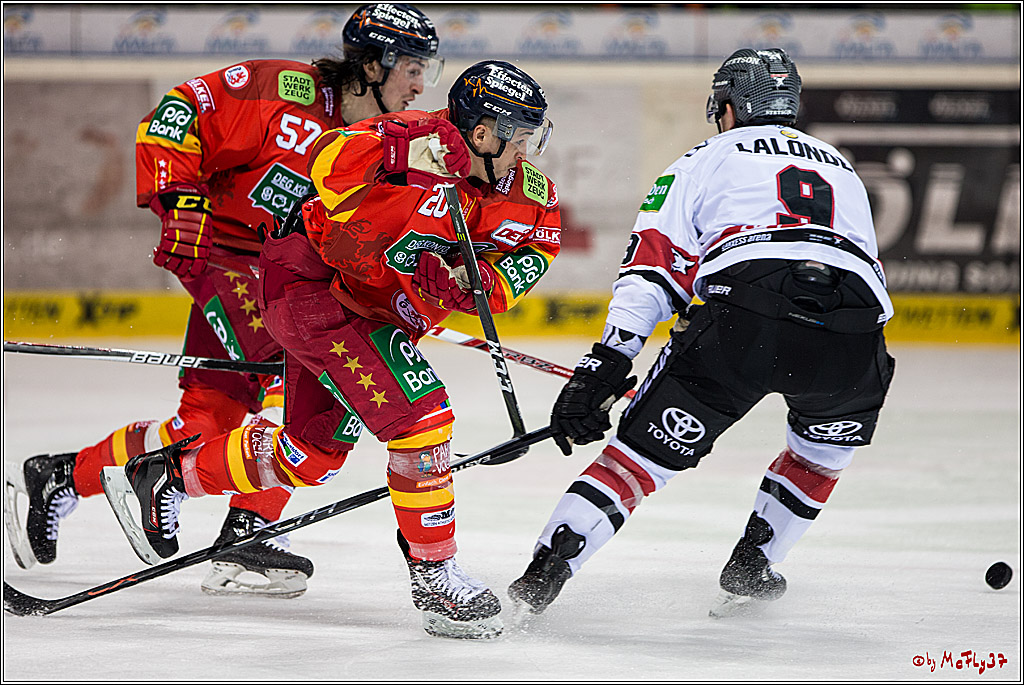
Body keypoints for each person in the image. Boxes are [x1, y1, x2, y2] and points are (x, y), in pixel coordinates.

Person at [100, 59, 560, 639]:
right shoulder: (410, 138)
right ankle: (435, 572)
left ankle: (169, 474)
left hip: (376, 315)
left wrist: (478, 284)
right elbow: (324, 161)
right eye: (519, 136)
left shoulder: (528, 194)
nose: (527, 151)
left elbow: (526, 261)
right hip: (310, 288)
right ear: (483, 132)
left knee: (312, 454)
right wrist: (392, 152)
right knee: (422, 417)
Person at [4, 4, 445, 599]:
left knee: (286, 417)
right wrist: (179, 197)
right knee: (222, 420)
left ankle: (214, 522)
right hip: (238, 267)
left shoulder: (403, 141)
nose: (422, 83)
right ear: (370, 64)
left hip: (312, 284)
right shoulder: (283, 92)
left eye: (427, 68)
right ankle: (232, 526)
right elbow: (178, 114)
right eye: (411, 66)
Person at [507, 47, 896, 619]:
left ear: (730, 107)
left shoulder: (705, 156)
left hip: (746, 319)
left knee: (637, 462)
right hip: (853, 336)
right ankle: (754, 562)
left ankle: (542, 575)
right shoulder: (843, 166)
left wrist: (608, 363)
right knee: (820, 456)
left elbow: (653, 268)